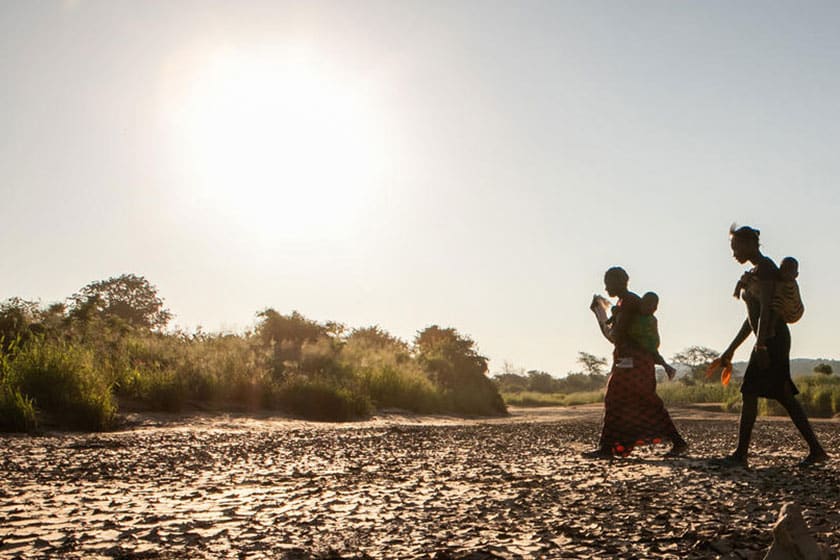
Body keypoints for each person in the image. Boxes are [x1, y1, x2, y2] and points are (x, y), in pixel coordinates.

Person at [715, 226, 828, 468]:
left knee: (751, 392)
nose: (734, 253)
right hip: (767, 338)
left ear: (750, 244)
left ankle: (740, 455)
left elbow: (766, 309)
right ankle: (816, 450)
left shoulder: (766, 269)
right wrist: (731, 349)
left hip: (772, 339)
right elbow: (751, 317)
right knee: (783, 395)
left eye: (736, 247)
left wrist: (762, 345)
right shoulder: (756, 271)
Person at [583, 267, 688, 459]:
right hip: (635, 362)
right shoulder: (627, 302)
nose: (606, 288)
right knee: (642, 401)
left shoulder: (628, 303)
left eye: (609, 283)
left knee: (618, 400)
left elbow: (617, 335)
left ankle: (607, 448)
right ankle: (677, 442)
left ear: (620, 282)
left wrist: (600, 316)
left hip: (633, 363)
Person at [627, 292, 677, 380]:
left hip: (648, 344)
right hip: (643, 344)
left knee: (656, 355)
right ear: (641, 304)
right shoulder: (634, 315)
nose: (652, 309)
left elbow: (647, 332)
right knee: (656, 355)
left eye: (654, 307)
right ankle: (667, 367)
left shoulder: (651, 319)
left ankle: (667, 367)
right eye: (648, 305)